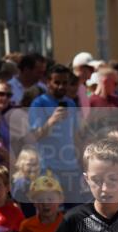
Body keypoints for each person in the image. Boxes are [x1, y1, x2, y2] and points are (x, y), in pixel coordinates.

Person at [29, 64, 84, 205]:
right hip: (49, 167)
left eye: (64, 83)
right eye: (57, 82)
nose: (61, 87)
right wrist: (51, 121)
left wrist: (81, 162)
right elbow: (34, 136)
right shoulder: (38, 103)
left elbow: (76, 135)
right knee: (54, 213)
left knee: (74, 211)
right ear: (48, 82)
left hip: (71, 168)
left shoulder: (70, 103)